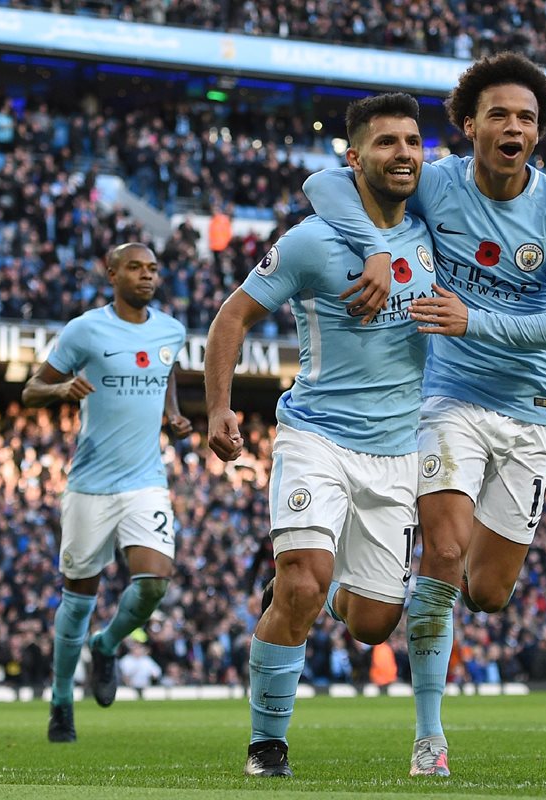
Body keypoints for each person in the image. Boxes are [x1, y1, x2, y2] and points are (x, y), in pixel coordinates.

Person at [302, 51, 546, 776]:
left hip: (529, 410)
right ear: (468, 125)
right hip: (447, 398)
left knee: (487, 592)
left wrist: (475, 318)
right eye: (498, 113)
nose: (513, 126)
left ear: (539, 132)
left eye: (526, 117)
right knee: (443, 550)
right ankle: (429, 738)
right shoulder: (436, 184)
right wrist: (373, 244)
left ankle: (344, 587)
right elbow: (324, 182)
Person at [205, 92, 434, 778]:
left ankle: (327, 587)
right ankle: (266, 745)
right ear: (355, 156)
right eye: (386, 142)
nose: (403, 154)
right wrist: (218, 407)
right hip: (317, 435)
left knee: (371, 624)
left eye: (413, 142)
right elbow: (229, 319)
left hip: (398, 450)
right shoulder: (310, 241)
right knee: (301, 585)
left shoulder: (432, 228)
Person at [22, 242, 191, 743]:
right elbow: (31, 389)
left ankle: (108, 643)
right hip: (90, 486)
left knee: (155, 582)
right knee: (77, 600)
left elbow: (166, 372)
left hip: (145, 481)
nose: (147, 276)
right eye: (136, 268)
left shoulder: (170, 329)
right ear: (111, 273)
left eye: (153, 269)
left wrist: (173, 415)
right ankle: (60, 702)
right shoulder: (85, 330)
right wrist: (60, 390)